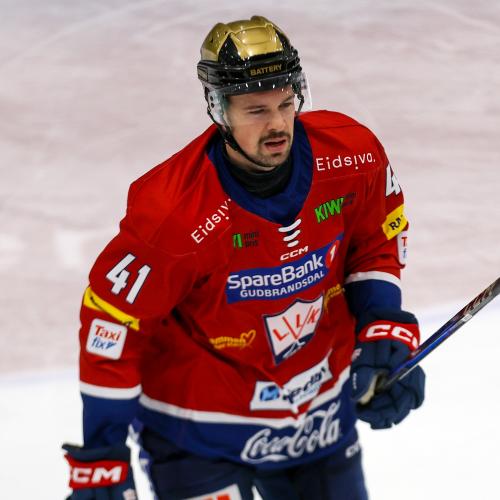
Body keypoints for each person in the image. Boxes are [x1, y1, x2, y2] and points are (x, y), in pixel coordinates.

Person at [63, 15, 425, 500]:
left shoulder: (353, 157)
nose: (277, 124)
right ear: (219, 109)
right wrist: (103, 451)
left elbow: (375, 241)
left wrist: (381, 326)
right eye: (256, 110)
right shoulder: (172, 212)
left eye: (285, 103)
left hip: (319, 419)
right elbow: (114, 323)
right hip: (198, 432)